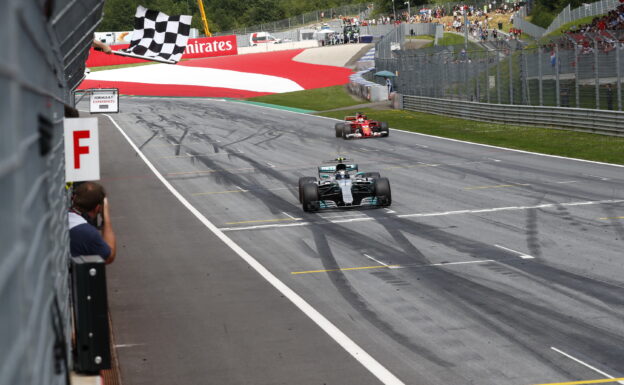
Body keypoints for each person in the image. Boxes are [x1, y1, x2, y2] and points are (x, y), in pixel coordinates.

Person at [68, 182, 116, 264]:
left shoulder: (61, 215)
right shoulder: (87, 232)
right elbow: (109, 256)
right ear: (97, 208)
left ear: (75, 197)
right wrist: (106, 217)